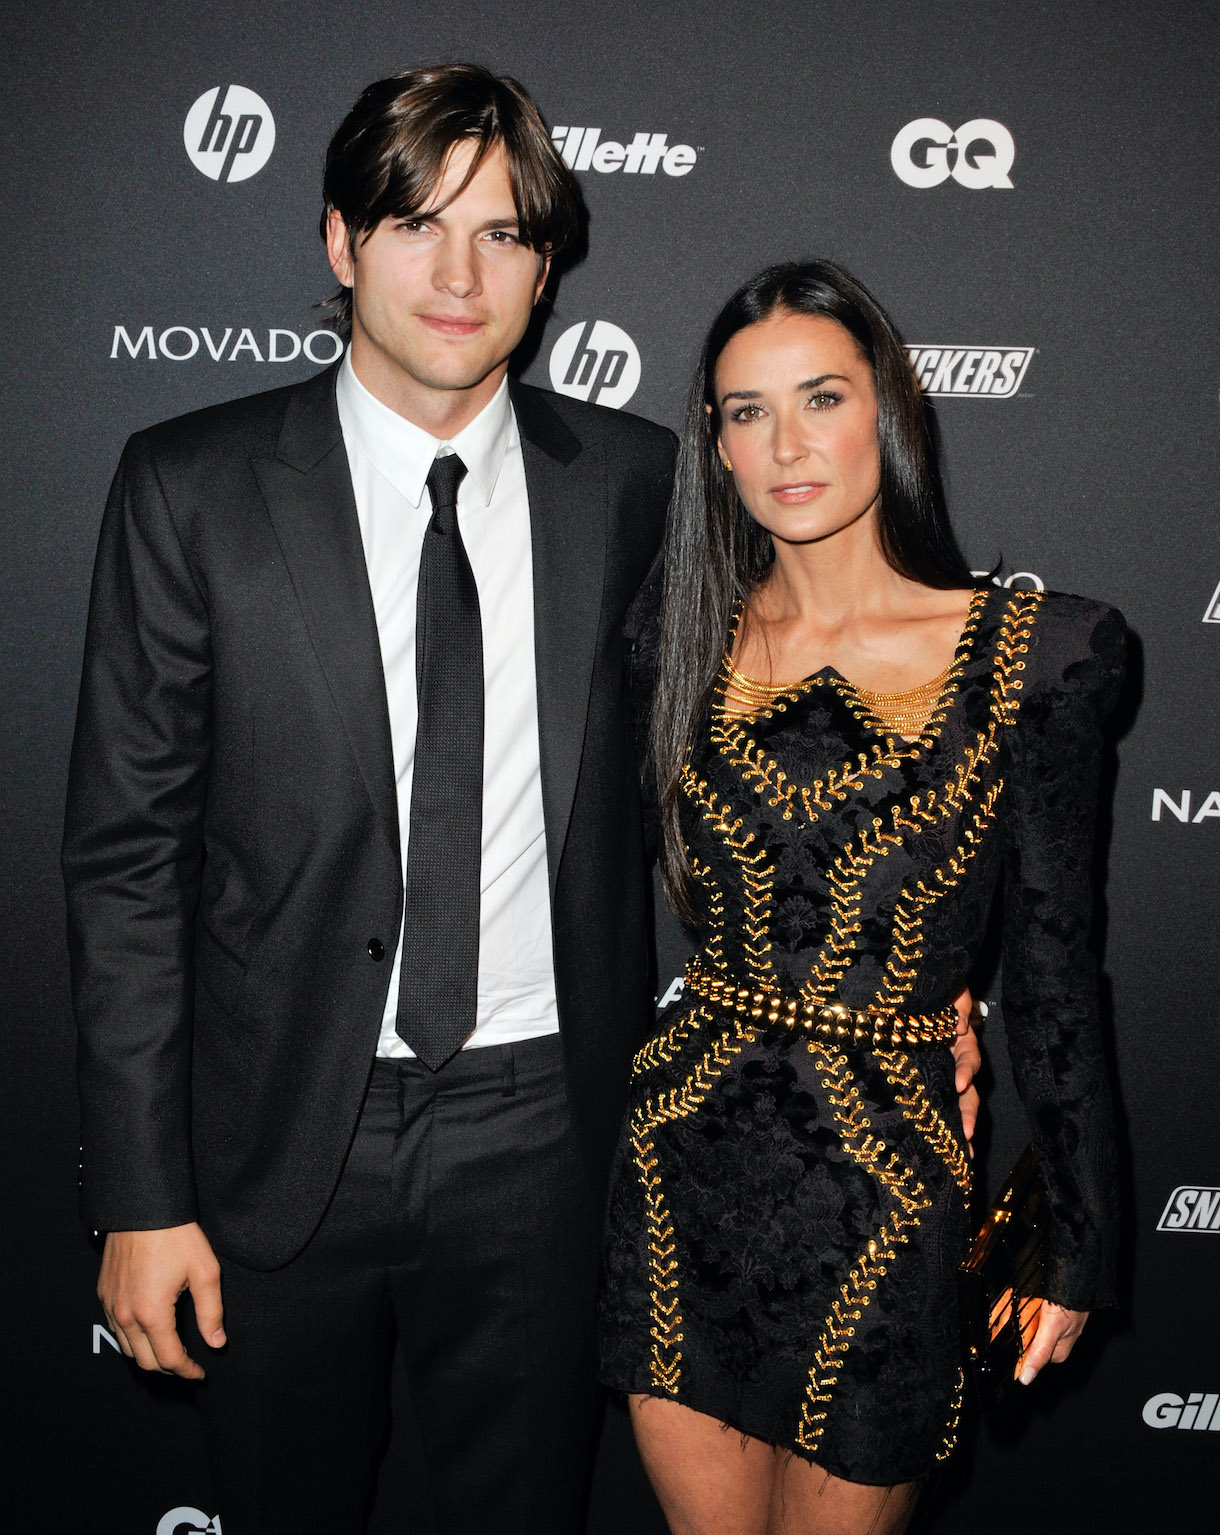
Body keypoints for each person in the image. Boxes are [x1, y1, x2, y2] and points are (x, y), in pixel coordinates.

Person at [62, 65, 982, 1533]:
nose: (457, 271)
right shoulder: (190, 485)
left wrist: (919, 984)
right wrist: (139, 1189)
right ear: (337, 242)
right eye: (416, 223)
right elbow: (124, 859)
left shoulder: (638, 487)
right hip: (278, 1133)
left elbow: (804, 726)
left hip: (551, 1136)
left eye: (502, 234)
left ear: (546, 268)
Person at [600, 260, 1123, 1535]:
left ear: (884, 408)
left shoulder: (1039, 652)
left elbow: (1054, 972)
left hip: (888, 1194)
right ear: (711, 447)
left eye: (819, 397)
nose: (784, 444)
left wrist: (1076, 1229)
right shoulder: (671, 639)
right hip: (680, 1171)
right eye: (742, 412)